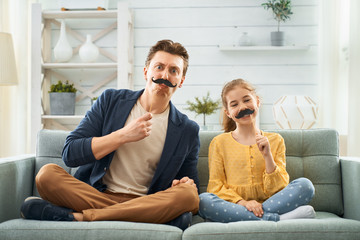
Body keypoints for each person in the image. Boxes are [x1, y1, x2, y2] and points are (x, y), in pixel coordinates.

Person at [21, 40, 200, 230]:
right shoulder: (111, 101)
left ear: (181, 81)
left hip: (146, 200)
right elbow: (70, 153)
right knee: (46, 175)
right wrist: (122, 135)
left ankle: (80, 217)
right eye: (159, 67)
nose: (165, 75)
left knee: (189, 195)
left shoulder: (187, 129)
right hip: (96, 195)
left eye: (174, 71)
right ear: (146, 71)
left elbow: (190, 186)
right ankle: (144, 217)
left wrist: (185, 183)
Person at [198, 79, 316, 223]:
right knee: (203, 201)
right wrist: (244, 203)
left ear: (257, 101)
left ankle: (254, 216)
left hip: (271, 201)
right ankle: (275, 218)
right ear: (228, 112)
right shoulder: (219, 143)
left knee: (305, 185)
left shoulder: (276, 140)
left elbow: (279, 188)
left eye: (247, 100)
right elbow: (216, 186)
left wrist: (267, 156)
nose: (242, 107)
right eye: (234, 104)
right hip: (235, 205)